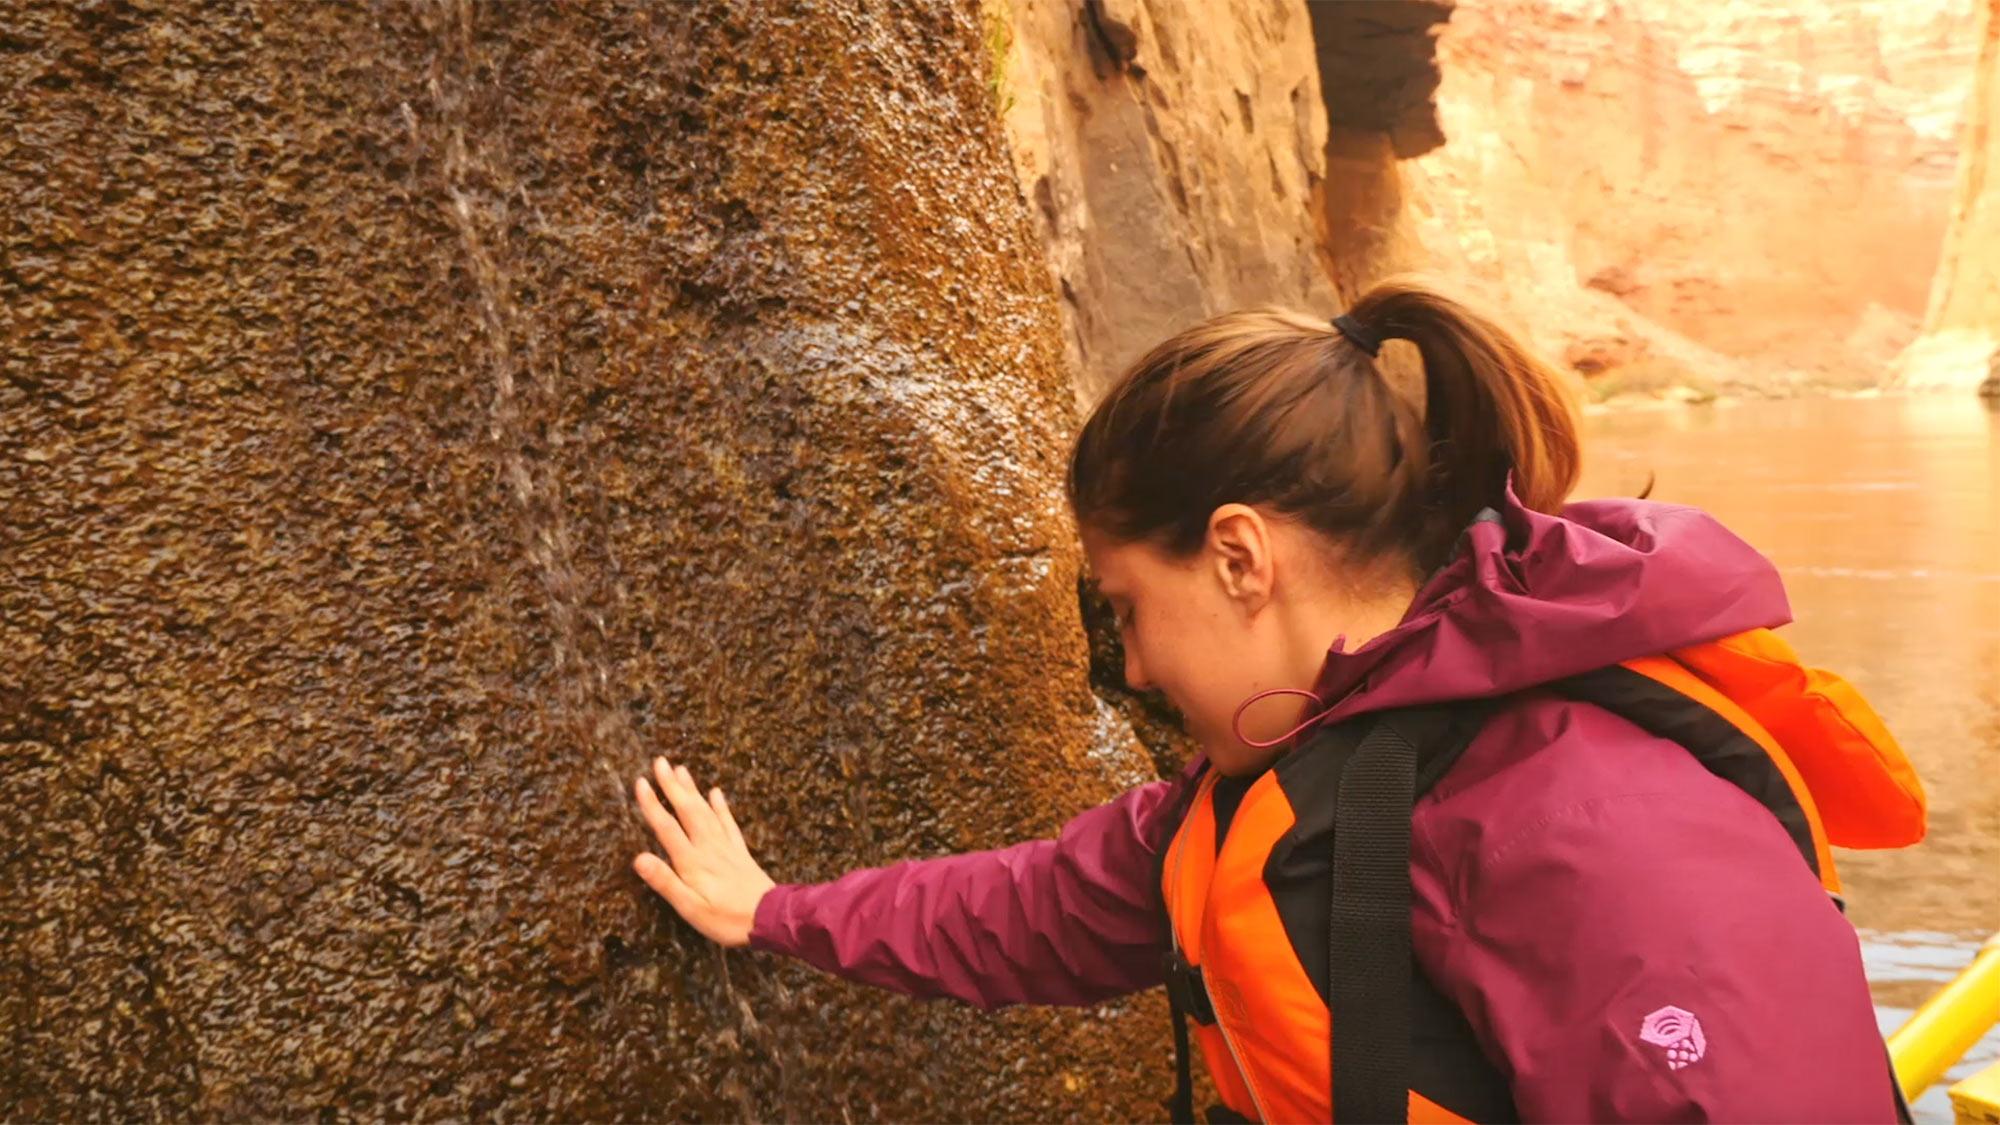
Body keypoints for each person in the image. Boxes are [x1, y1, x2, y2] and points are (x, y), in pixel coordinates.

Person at [630, 278, 1926, 1123]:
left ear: (1243, 558)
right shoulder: (1299, 776)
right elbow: (1029, 909)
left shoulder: (1596, 828)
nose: (1131, 667)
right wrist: (773, 911)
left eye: (1129, 606)